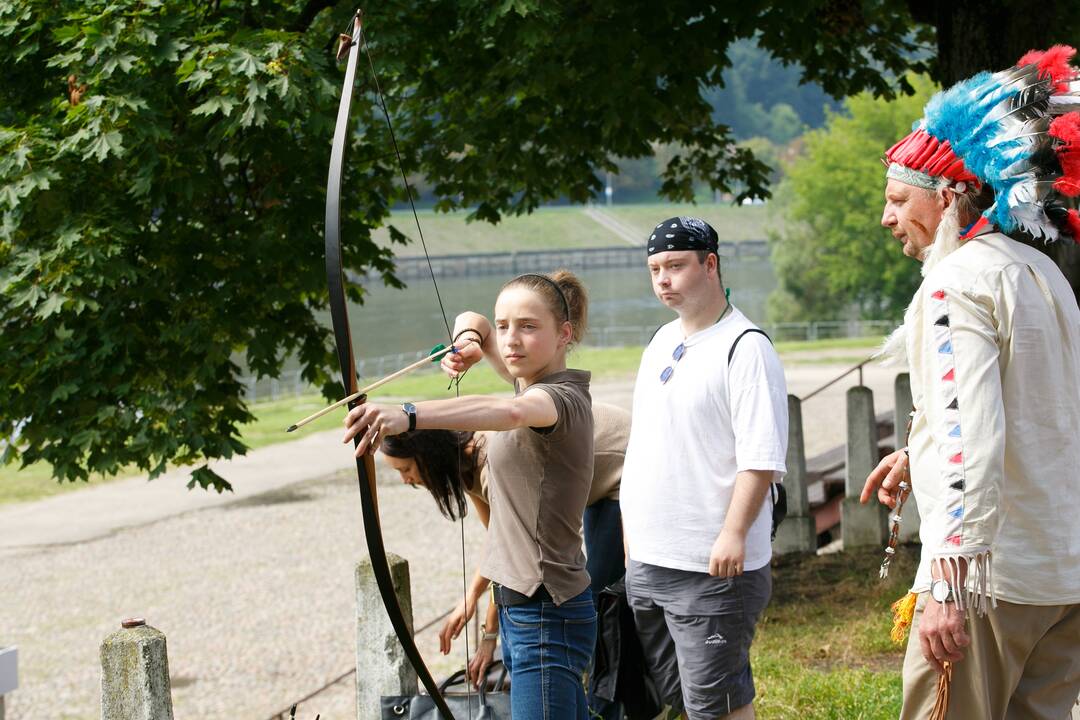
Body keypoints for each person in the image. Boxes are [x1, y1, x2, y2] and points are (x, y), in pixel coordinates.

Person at [861, 45, 1080, 719]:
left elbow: (972, 440)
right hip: (1062, 569)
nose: (887, 217)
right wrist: (915, 450)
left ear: (951, 193)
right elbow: (1039, 410)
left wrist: (947, 585)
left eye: (899, 199)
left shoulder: (954, 285)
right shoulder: (1040, 271)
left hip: (991, 580)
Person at [344, 270, 597, 719]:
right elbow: (474, 318)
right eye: (505, 327)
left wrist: (408, 413)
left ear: (564, 334)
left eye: (528, 326)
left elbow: (511, 411)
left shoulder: (558, 398)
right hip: (527, 609)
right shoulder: (529, 380)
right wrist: (468, 341)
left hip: (545, 613)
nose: (511, 339)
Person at [619, 217, 788, 720]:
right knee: (681, 698)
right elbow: (645, 444)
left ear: (709, 264)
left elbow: (761, 458)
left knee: (715, 704)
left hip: (711, 567)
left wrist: (734, 533)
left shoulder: (746, 346)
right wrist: (633, 540)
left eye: (675, 266)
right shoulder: (659, 341)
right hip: (649, 560)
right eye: (654, 269)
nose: (663, 280)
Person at [379, 400, 630, 694]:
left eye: (406, 468)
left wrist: (474, 602)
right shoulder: (466, 466)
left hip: (621, 460)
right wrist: (488, 632)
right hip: (587, 476)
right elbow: (500, 544)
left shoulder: (489, 463)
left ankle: (614, 698)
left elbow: (506, 548)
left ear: (428, 455)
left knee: (599, 597)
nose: (406, 480)